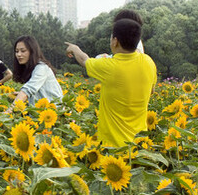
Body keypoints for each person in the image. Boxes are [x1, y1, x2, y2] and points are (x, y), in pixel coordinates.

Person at [65, 18, 157, 147]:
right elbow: (152, 91)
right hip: (140, 143)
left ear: (115, 41)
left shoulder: (109, 66)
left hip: (113, 147)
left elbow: (85, 60)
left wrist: (74, 48)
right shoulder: (149, 62)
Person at [10, 35, 63, 104]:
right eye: (17, 51)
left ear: (32, 52)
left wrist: (8, 112)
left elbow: (27, 90)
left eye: (23, 51)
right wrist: (19, 95)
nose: (19, 54)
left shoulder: (41, 68)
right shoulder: (30, 69)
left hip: (55, 111)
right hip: (41, 110)